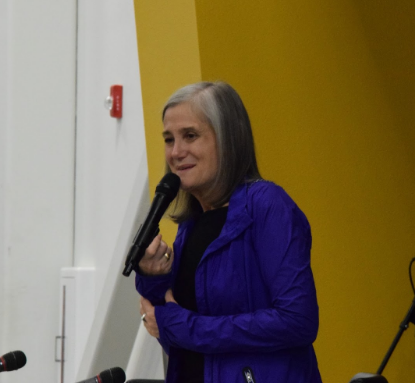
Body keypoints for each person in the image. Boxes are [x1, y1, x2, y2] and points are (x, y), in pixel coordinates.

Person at [136, 81, 322, 383]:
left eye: (190, 136)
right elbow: (180, 338)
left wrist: (184, 326)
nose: (176, 152)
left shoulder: (267, 205)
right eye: (169, 140)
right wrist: (153, 278)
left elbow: (297, 321)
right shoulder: (190, 226)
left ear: (228, 139)